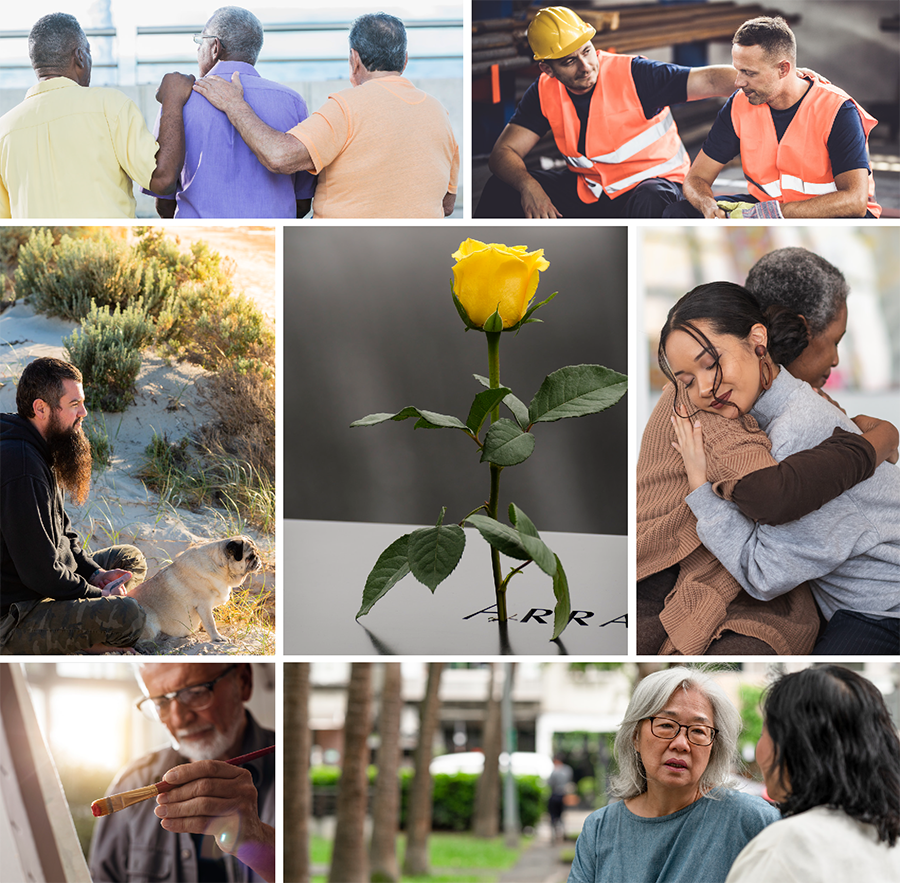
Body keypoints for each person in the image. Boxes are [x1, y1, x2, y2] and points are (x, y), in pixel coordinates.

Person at [637, 249, 896, 655]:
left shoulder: (796, 430)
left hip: (881, 609)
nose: (703, 388)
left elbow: (764, 573)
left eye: (711, 363)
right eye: (686, 379)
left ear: (758, 339)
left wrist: (701, 489)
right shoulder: (739, 408)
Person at [476, 6, 770, 219]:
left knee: (651, 200)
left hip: (657, 185)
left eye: (587, 51)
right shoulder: (543, 91)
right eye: (569, 61)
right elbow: (503, 153)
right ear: (546, 68)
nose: (586, 66)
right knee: (501, 187)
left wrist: (767, 79)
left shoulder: (635, 74)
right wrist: (529, 186)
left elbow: (705, 79)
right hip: (592, 190)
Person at [192, 12, 458, 219]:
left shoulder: (346, 106)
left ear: (355, 59)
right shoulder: (440, 113)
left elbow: (279, 156)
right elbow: (446, 204)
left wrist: (235, 105)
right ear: (405, 60)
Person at [568, 667, 778, 883]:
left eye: (698, 730)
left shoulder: (753, 821)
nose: (681, 744)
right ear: (635, 737)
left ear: (713, 747)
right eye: (666, 725)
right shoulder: (599, 829)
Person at [0, 357, 148, 654]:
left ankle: (93, 628)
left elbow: (64, 536)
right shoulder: (21, 464)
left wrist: (94, 574)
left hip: (43, 585)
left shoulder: (40, 444)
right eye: (74, 404)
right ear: (41, 408)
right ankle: (92, 641)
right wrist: (98, 596)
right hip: (14, 615)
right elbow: (41, 572)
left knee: (128, 559)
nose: (84, 412)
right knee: (129, 617)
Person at [665, 16, 881, 219]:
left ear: (783, 69)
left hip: (832, 214)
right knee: (678, 213)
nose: (738, 82)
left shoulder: (838, 110)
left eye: (749, 73)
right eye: (738, 70)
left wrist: (775, 213)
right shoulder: (739, 103)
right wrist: (707, 205)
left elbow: (855, 201)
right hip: (769, 207)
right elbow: (696, 178)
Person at [90, 662, 275, 883]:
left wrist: (260, 843)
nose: (179, 718)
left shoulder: (292, 767)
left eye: (195, 693)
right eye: (160, 702)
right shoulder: (132, 781)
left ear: (244, 681)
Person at [0, 12, 193, 219]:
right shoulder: (110, 106)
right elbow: (162, 180)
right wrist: (172, 101)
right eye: (88, 53)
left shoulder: (4, 130)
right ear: (80, 57)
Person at [725, 665, 900, 881]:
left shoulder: (786, 847)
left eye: (765, 732)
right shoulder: (889, 841)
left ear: (796, 745)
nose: (760, 747)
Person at [146, 6, 315, 219]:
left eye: (200, 43)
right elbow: (302, 201)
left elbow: (164, 200)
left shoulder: (178, 100)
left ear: (215, 47)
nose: (198, 51)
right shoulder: (293, 102)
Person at [547, 753, 573, 843]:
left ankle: (554, 835)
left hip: (554, 795)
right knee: (562, 815)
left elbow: (550, 784)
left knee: (553, 816)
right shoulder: (568, 770)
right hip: (564, 796)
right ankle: (562, 833)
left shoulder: (555, 771)